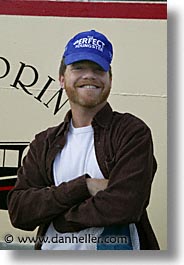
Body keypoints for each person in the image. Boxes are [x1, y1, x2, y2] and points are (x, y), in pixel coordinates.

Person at [8, 29, 159, 250]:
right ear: (62, 79)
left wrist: (59, 217)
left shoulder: (132, 132)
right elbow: (19, 210)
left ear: (109, 79)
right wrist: (84, 186)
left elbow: (125, 205)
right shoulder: (44, 143)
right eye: (78, 68)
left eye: (98, 69)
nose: (89, 75)